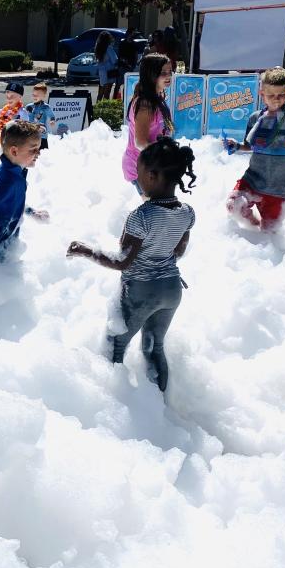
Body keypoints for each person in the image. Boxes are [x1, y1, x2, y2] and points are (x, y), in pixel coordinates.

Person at [67, 139, 197, 393]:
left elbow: (122, 261)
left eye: (139, 174)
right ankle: (160, 407)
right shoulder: (187, 212)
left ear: (151, 175)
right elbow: (178, 251)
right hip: (171, 289)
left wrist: (86, 250)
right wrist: (161, 262)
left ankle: (111, 408)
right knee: (153, 346)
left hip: (141, 292)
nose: (137, 179)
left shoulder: (142, 215)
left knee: (114, 345)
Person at [225, 66, 285, 232]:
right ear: (262, 94)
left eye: (281, 95)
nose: (276, 99)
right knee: (233, 204)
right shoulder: (255, 118)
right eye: (271, 95)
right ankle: (252, 226)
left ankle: (259, 234)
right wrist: (236, 146)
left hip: (277, 188)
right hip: (252, 179)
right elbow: (250, 145)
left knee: (269, 234)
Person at [0, 121, 49, 265]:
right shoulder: (8, 180)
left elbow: (13, 201)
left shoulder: (17, 170)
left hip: (7, 233)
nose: (38, 153)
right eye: (33, 149)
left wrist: (31, 212)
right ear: (14, 151)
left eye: (38, 148)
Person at [123, 53, 174, 194]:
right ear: (151, 75)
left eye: (170, 71)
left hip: (153, 167)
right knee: (156, 214)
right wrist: (167, 154)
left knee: (161, 211)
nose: (168, 76)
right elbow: (140, 142)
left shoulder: (158, 99)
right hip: (141, 169)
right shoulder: (145, 104)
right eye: (163, 72)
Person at [20, 82, 57, 146]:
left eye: (37, 95)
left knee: (43, 152)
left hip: (42, 136)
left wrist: (52, 121)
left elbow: (52, 116)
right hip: (30, 135)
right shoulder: (29, 106)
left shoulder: (46, 107)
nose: (34, 96)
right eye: (33, 94)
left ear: (44, 96)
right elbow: (24, 117)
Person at [94, 31, 120, 102]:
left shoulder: (98, 47)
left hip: (101, 71)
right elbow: (114, 60)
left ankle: (97, 108)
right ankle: (105, 109)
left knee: (100, 92)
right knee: (107, 93)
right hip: (109, 71)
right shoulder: (109, 48)